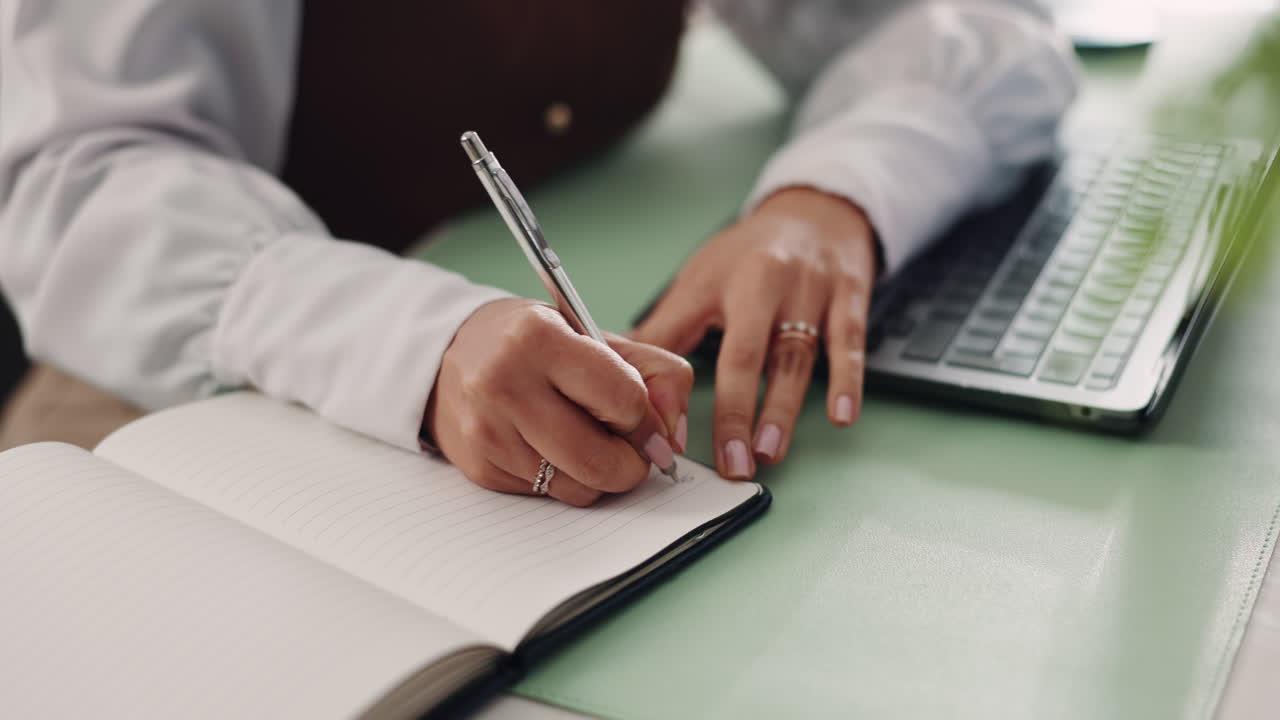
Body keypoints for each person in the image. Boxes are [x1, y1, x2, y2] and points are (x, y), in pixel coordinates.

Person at [0, 1, 1077, 505]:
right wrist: (419, 343)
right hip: (154, 388)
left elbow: (973, 21)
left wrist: (826, 198)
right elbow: (73, 178)